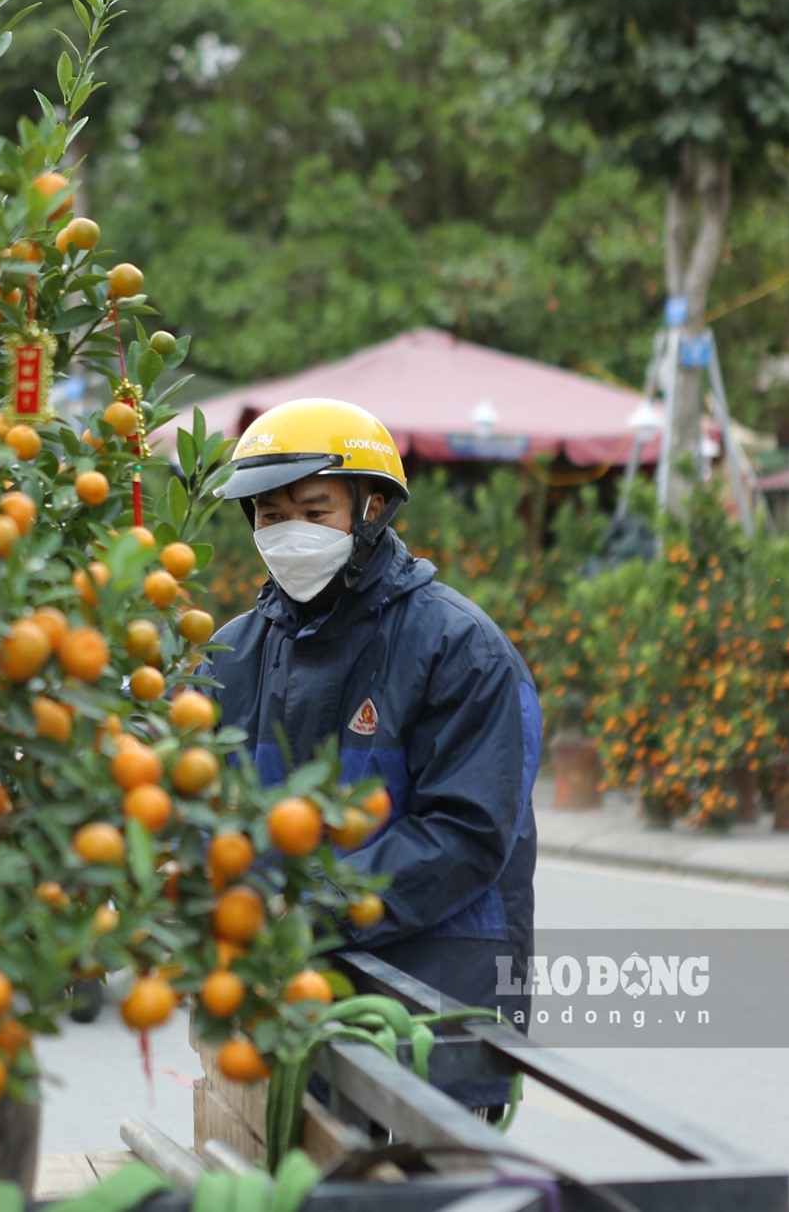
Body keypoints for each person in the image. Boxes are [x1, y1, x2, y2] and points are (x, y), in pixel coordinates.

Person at [201, 399, 539, 1114]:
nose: (286, 532)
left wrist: (301, 906)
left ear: (372, 506)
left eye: (312, 511)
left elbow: (467, 832)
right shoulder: (231, 655)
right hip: (293, 995)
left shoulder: (458, 648)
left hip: (438, 995)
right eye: (267, 515)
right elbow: (200, 804)